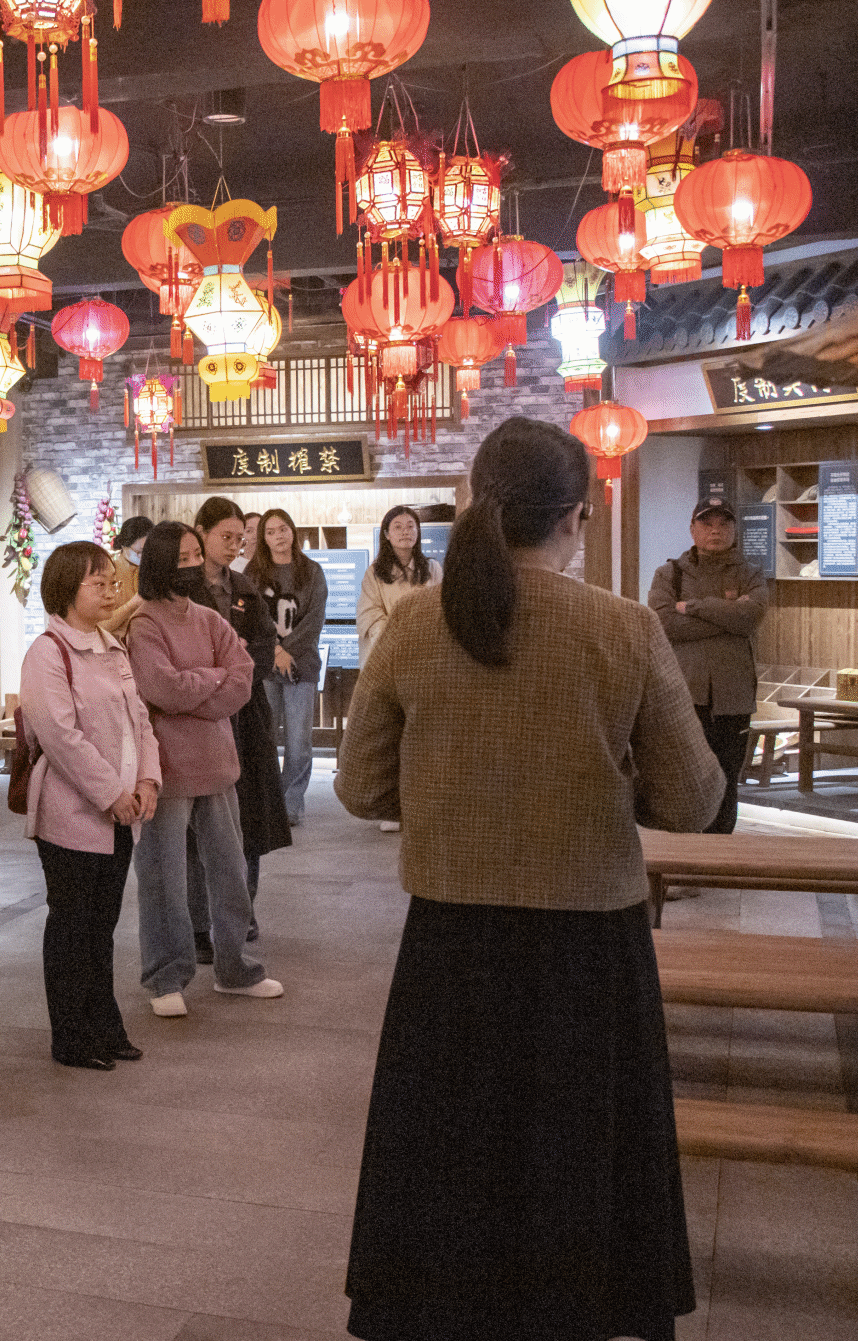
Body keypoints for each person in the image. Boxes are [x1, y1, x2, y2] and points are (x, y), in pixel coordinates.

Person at [333, 417, 722, 1341]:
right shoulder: (623, 628)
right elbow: (694, 799)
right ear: (576, 514)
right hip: (589, 944)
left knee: (451, 1147)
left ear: (479, 505)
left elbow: (358, 786)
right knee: (577, 1153)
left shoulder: (417, 623)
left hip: (449, 941)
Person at [126, 521, 281, 1016]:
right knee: (163, 879)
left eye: (197, 555)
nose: (195, 564)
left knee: (231, 872)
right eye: (184, 558)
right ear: (161, 565)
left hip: (217, 764)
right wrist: (212, 682)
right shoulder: (144, 624)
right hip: (167, 769)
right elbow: (161, 688)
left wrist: (197, 690)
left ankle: (235, 969)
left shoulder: (211, 619)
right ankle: (165, 977)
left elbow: (243, 678)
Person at [20, 541, 160, 1069]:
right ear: (65, 589)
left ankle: (105, 1025)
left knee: (102, 928)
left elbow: (140, 721)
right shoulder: (48, 652)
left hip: (124, 812)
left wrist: (147, 781)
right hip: (72, 814)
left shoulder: (112, 646)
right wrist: (111, 794)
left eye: (111, 582)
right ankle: (72, 1037)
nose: (110, 591)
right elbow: (60, 736)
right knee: (72, 926)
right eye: (97, 583)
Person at [188, 497, 290, 948]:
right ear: (201, 533)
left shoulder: (246, 587)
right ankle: (198, 924)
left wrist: (238, 664)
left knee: (247, 817)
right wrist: (224, 662)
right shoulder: (182, 588)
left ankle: (242, 914)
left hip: (245, 714)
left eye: (239, 538)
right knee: (197, 825)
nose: (234, 545)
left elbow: (265, 647)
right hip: (194, 717)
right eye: (225, 537)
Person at [649, 494, 769, 835]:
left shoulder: (750, 573)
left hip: (734, 698)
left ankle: (720, 854)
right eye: (707, 523)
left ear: (734, 530)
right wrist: (727, 618)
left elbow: (750, 617)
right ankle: (685, 854)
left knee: (727, 779)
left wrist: (693, 607)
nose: (715, 531)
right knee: (683, 779)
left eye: (723, 524)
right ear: (692, 529)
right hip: (684, 697)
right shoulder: (669, 575)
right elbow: (665, 624)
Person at [355, 505, 439, 833]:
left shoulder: (433, 568)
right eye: (398, 526)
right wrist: (398, 635)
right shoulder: (375, 573)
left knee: (422, 736)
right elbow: (369, 614)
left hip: (427, 661)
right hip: (388, 662)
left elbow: (445, 607)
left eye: (411, 526)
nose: (405, 531)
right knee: (391, 737)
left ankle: (422, 805)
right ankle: (393, 807)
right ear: (386, 534)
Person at [247, 508, 327, 826]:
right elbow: (252, 618)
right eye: (270, 532)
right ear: (263, 538)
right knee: (265, 737)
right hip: (265, 666)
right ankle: (268, 803)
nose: (278, 536)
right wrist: (276, 650)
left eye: (283, 529)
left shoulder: (312, 571)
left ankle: (291, 804)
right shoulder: (254, 573)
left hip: (302, 666)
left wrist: (287, 650)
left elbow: (315, 619)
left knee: (299, 743)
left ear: (292, 531)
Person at [104, 514, 152, 641]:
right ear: (124, 545)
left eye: (149, 551)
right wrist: (131, 605)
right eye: (140, 552)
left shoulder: (153, 572)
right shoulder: (109, 573)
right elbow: (99, 625)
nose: (145, 557)